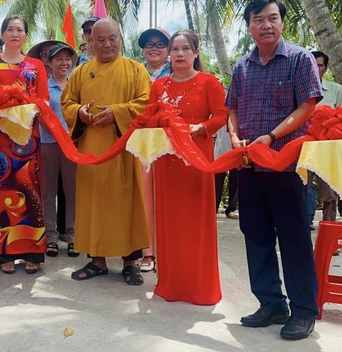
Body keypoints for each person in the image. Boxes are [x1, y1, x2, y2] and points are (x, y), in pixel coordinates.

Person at [226, 0, 321, 340]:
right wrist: (236, 138)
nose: (265, 25)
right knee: (256, 236)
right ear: (249, 26)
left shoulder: (299, 59)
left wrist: (271, 136)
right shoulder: (241, 66)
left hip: (288, 166)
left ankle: (304, 310)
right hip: (249, 167)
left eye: (272, 18)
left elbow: (308, 106)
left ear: (282, 22)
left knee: (294, 238)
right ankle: (270, 302)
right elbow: (232, 109)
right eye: (258, 19)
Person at [61, 18, 152, 285]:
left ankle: (130, 262)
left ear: (120, 37)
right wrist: (80, 112)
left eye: (112, 38)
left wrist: (117, 112)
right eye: (100, 40)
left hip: (123, 148)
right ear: (90, 42)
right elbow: (67, 102)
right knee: (94, 203)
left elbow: (147, 102)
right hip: (91, 149)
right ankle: (97, 261)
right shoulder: (80, 72)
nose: (107, 44)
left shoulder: (135, 70)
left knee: (128, 203)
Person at [148, 30, 227, 305]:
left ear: (195, 52)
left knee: (196, 220)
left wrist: (201, 127)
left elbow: (221, 115)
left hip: (196, 157)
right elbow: (150, 116)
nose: (179, 54)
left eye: (185, 49)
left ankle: (200, 286)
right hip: (167, 160)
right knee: (170, 220)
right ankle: (172, 283)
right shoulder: (159, 86)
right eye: (175, 49)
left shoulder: (209, 82)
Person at [0, 15, 49, 274]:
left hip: (27, 139)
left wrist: (25, 112)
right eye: (9, 29)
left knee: (29, 190)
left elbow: (43, 100)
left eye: (19, 29)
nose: (14, 34)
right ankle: (1, 251)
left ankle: (33, 251)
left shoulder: (35, 65)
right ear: (2, 34)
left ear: (25, 35)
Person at [136, 27, 172, 273]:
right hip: (143, 141)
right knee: (145, 196)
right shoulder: (136, 73)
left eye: (160, 44)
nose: (154, 49)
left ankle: (170, 250)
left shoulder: (180, 72)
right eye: (149, 45)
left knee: (169, 196)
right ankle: (148, 252)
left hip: (171, 140)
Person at [39, 43, 78, 258]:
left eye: (67, 59)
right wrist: (56, 133)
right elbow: (41, 116)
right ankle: (51, 237)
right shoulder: (44, 87)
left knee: (72, 191)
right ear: (49, 63)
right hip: (49, 143)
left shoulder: (76, 85)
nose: (64, 63)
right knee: (48, 191)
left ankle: (73, 236)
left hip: (72, 145)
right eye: (58, 59)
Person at [311, 50, 342, 222]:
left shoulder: (335, 89)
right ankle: (301, 232)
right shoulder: (296, 88)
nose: (316, 68)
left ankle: (329, 231)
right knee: (299, 190)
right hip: (302, 146)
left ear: (325, 68)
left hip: (327, 148)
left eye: (320, 65)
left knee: (329, 194)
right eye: (313, 64)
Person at [214, 125, 239, 219]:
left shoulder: (236, 116)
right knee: (217, 180)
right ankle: (213, 208)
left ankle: (231, 209)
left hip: (235, 150)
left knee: (235, 180)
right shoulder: (220, 114)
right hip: (219, 151)